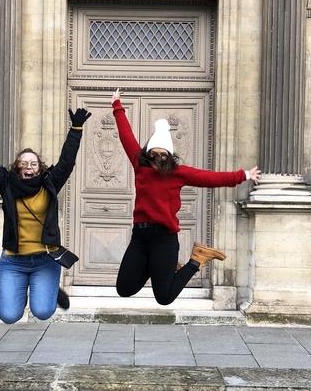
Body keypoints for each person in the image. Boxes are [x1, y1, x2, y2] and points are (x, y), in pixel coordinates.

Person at [111, 89, 261, 305]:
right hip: (140, 238)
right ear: (148, 153)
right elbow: (127, 137)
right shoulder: (140, 166)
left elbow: (210, 178)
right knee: (124, 289)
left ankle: (197, 259)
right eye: (154, 154)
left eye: (164, 156)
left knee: (164, 297)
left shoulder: (177, 173)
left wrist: (244, 175)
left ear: (169, 156)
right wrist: (117, 106)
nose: (158, 159)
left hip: (164, 238)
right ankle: (163, 266)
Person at [0, 99, 91, 323]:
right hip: (14, 261)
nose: (28, 167)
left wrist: (76, 129)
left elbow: (67, 161)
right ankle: (26, 291)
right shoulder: (6, 184)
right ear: (16, 167)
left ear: (39, 168)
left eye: (33, 163)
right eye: (23, 163)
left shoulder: (49, 184)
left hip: (45, 259)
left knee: (42, 312)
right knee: (9, 316)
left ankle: (48, 291)